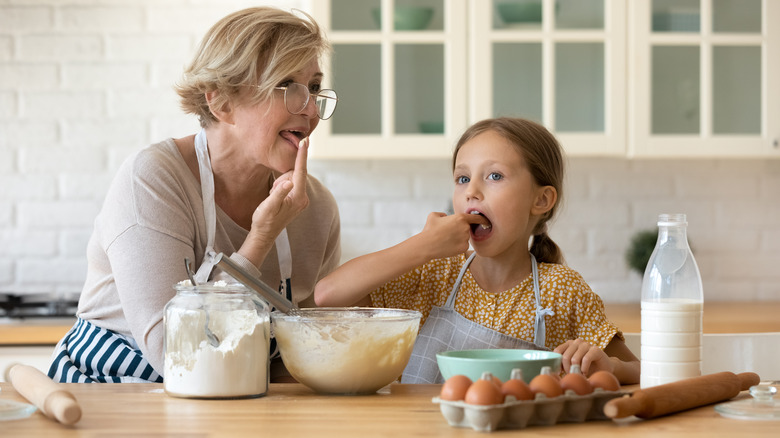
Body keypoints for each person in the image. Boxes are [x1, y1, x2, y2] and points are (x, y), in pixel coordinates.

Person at [49, 7, 341, 383]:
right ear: (221, 103)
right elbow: (175, 355)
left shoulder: (316, 208)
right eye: (287, 86)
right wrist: (261, 238)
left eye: (314, 88)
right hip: (111, 394)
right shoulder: (153, 179)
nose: (309, 108)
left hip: (233, 397)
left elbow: (298, 357)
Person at [314, 117, 639, 384]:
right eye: (462, 178)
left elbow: (643, 372)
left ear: (541, 200)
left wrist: (611, 368)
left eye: (495, 176)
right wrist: (423, 246)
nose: (472, 191)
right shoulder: (432, 275)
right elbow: (328, 296)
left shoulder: (563, 291)